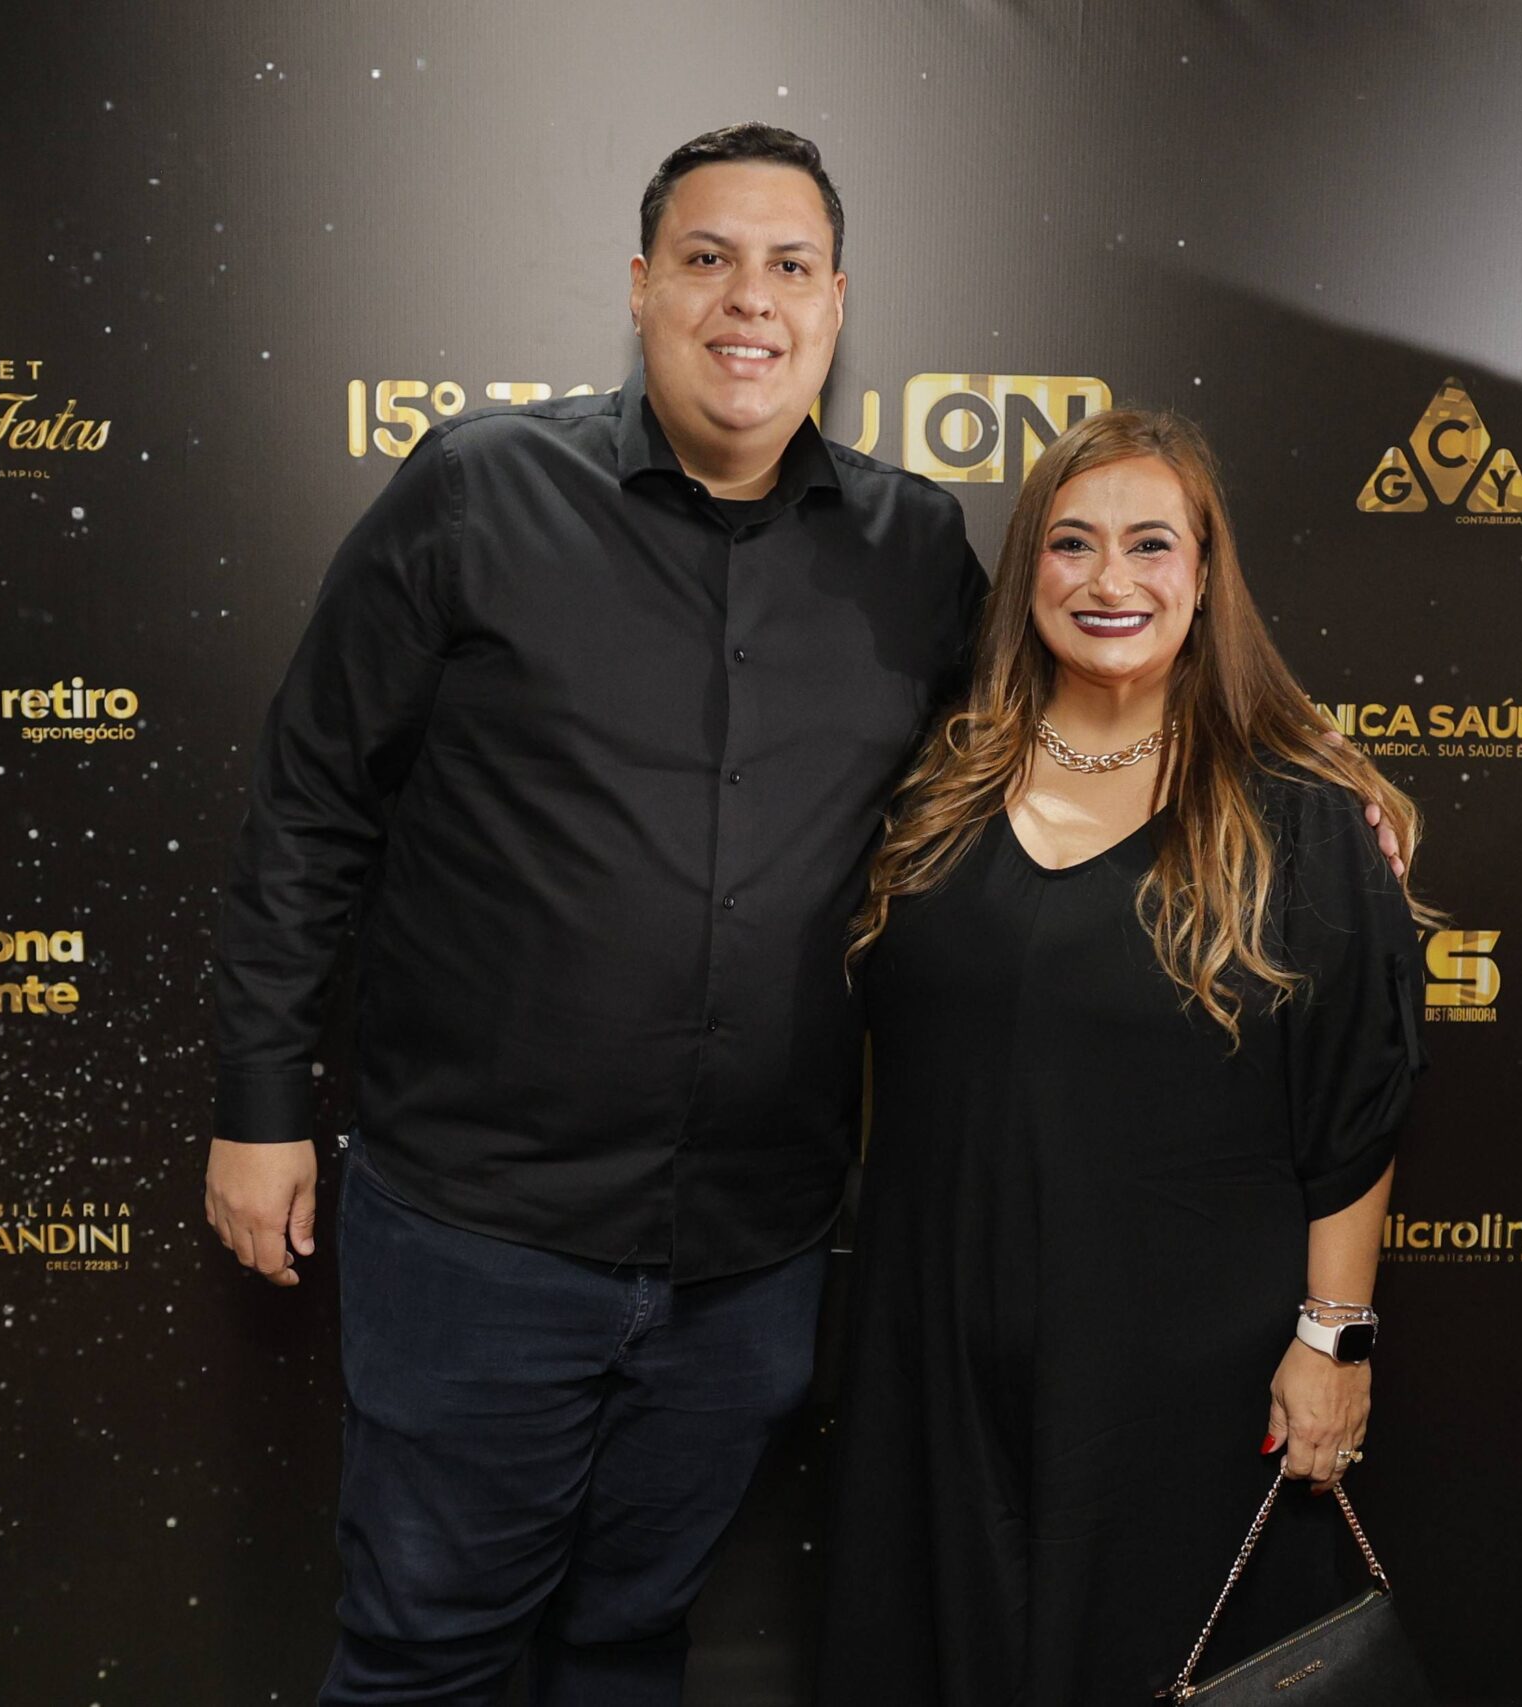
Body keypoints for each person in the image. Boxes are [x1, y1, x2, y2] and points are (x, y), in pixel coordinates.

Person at [204, 122, 1399, 1703]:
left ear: (836, 305)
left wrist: (1323, 777)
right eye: (707, 260)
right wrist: (260, 1106)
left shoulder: (913, 548)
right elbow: (310, 801)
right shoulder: (477, 494)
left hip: (750, 1262)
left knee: (630, 1643)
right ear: (642, 286)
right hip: (483, 1235)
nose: (746, 300)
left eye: (788, 267)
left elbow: (1097, 681)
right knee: (423, 1652)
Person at [817, 408, 1430, 1706]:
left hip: (1182, 1384)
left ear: (1204, 576)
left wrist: (1333, 1341)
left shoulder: (1300, 819)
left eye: (1151, 544)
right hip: (931, 1361)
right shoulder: (931, 790)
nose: (1110, 579)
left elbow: (1355, 1110)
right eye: (1072, 543)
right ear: (1026, 571)